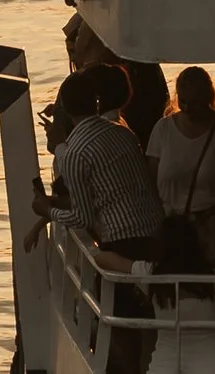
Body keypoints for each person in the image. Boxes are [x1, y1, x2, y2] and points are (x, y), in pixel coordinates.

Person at [40, 64, 167, 262]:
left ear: (64, 108)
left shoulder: (75, 152)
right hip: (157, 233)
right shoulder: (124, 133)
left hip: (124, 242)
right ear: (96, 102)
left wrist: (47, 211)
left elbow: (83, 218)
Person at [148, 65, 215, 258]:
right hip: (174, 232)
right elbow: (150, 182)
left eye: (195, 102)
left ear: (209, 98)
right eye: (183, 102)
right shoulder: (163, 129)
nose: (187, 109)